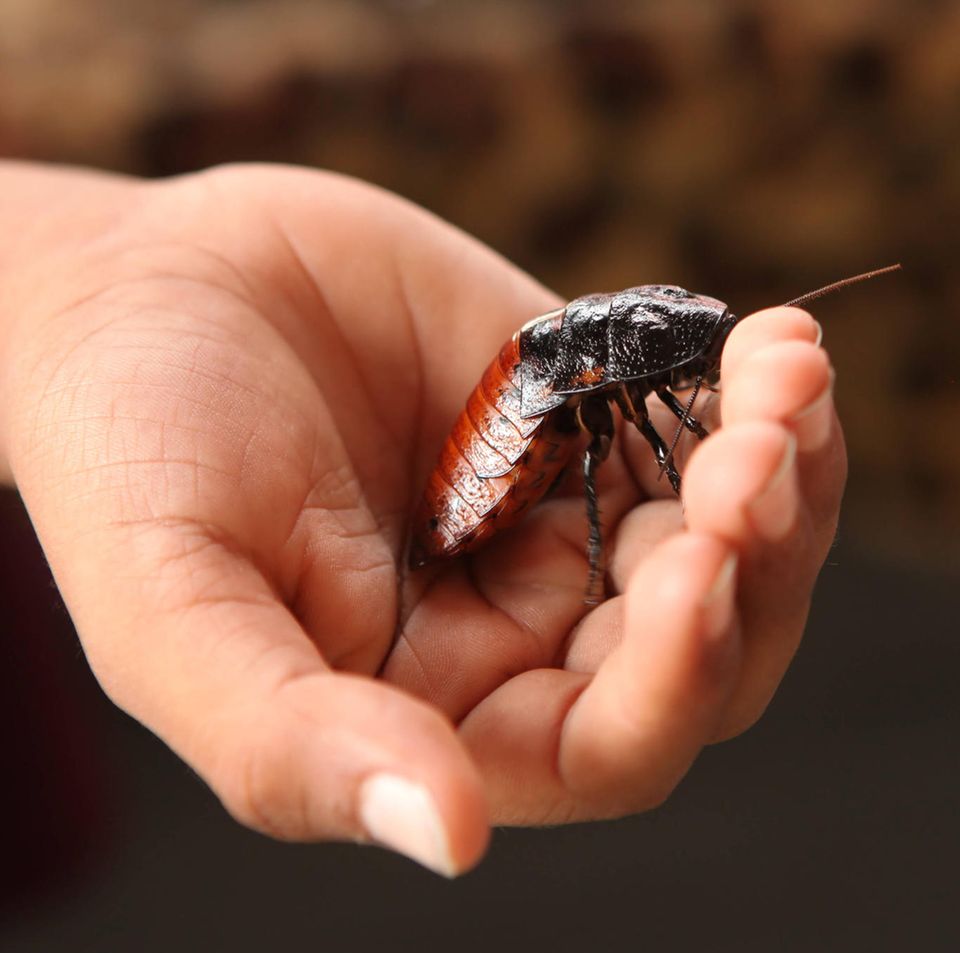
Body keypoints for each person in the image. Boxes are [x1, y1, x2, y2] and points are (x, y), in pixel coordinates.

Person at [0, 161, 843, 876]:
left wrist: (83, 254)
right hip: (501, 447)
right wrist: (81, 272)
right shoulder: (615, 372)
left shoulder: (633, 354)